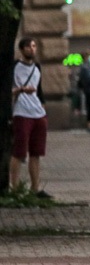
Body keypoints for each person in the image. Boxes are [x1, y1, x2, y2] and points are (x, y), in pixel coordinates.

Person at [10, 38, 49, 197]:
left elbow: (39, 92)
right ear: (21, 49)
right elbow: (7, 91)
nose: (31, 49)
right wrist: (20, 90)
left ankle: (35, 188)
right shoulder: (14, 67)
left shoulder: (37, 67)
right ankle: (15, 187)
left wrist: (43, 110)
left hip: (38, 113)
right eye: (28, 46)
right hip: (21, 112)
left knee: (36, 152)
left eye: (33, 46)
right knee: (19, 152)